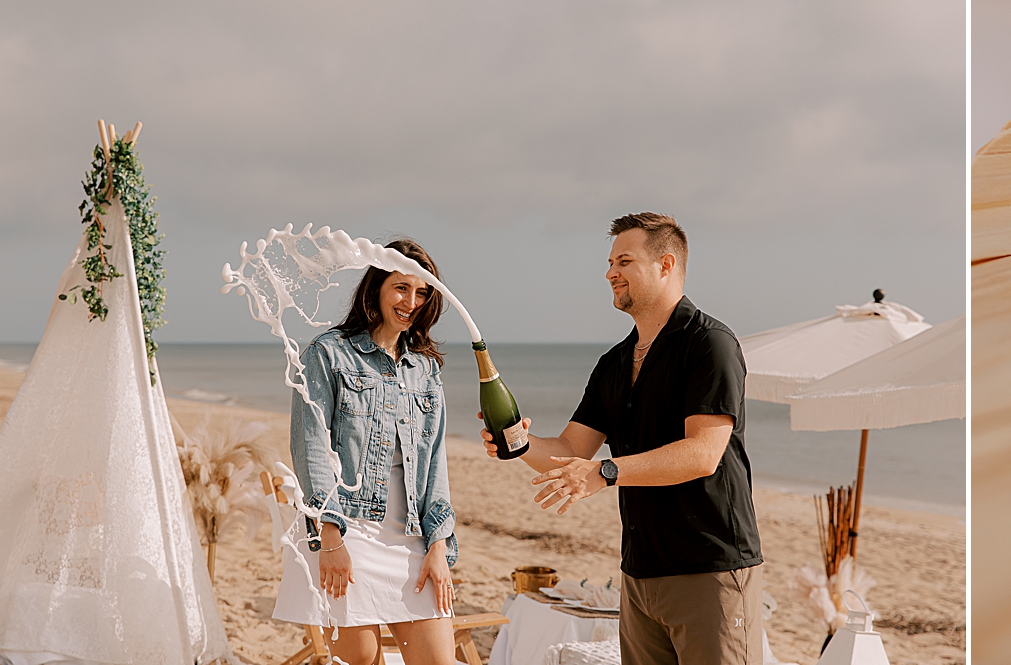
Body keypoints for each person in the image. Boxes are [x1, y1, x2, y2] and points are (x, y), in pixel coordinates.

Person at [481, 212, 763, 665]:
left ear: (666, 265)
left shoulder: (710, 344)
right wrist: (519, 444)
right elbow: (573, 451)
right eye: (611, 261)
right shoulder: (614, 363)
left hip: (710, 569)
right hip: (639, 577)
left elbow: (703, 453)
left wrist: (607, 472)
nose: (610, 272)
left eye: (624, 261)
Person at [273, 238, 460, 665]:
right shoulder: (328, 354)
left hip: (412, 535)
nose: (411, 301)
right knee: (361, 661)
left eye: (422, 292)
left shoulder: (425, 368)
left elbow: (436, 462)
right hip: (347, 531)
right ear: (376, 286)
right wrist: (330, 539)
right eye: (401, 287)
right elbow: (310, 449)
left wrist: (438, 544)